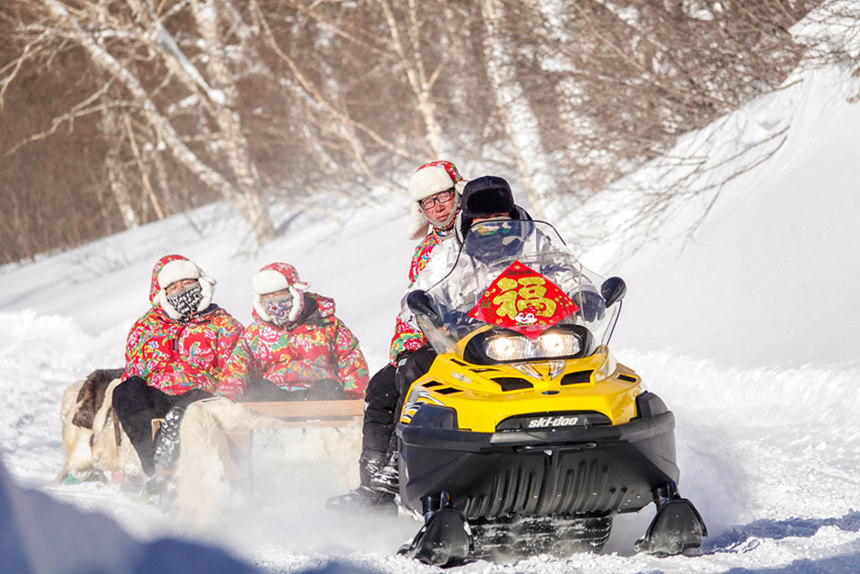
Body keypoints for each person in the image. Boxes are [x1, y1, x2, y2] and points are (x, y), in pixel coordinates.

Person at [327, 160, 468, 512]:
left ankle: (400, 472)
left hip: (483, 339)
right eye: (428, 202)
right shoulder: (425, 251)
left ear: (458, 193)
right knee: (383, 384)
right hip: (440, 343)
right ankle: (376, 485)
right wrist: (406, 345)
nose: (438, 207)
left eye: (443, 197)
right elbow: (413, 303)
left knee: (411, 374)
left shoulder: (485, 232)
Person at [111, 254, 244, 486]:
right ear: (162, 293)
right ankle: (153, 467)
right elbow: (133, 369)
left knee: (184, 411)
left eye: (187, 283)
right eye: (172, 286)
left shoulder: (223, 323)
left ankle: (170, 471)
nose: (181, 290)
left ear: (200, 283)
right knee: (124, 391)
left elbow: (237, 367)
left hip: (202, 395)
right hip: (159, 393)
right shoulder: (145, 327)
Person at [220, 262, 370, 400]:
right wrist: (226, 401)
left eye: (279, 294)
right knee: (257, 391)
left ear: (295, 292)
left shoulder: (327, 325)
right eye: (267, 297)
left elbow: (353, 365)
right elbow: (236, 369)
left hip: (320, 396)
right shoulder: (255, 334)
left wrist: (355, 402)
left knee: (328, 388)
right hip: (275, 397)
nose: (274, 301)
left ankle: (321, 423)